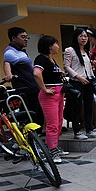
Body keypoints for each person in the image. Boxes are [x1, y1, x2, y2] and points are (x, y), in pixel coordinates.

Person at [63, 28, 96, 140]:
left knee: (89, 106)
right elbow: (66, 66)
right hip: (76, 82)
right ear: (76, 37)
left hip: (88, 81)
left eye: (85, 36)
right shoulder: (69, 50)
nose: (84, 38)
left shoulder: (87, 51)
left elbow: (89, 67)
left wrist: (92, 80)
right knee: (76, 107)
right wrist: (78, 77)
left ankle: (90, 129)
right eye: (81, 36)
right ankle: (77, 131)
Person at [33, 35, 67, 163]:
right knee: (52, 124)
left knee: (58, 122)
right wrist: (44, 89)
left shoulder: (51, 59)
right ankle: (52, 151)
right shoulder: (41, 59)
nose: (58, 46)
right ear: (49, 46)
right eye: (56, 44)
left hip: (58, 94)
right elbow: (36, 73)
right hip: (49, 95)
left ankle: (54, 146)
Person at [3, 27, 44, 128]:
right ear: (13, 38)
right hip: (25, 90)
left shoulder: (21, 51)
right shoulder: (10, 51)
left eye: (27, 37)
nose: (26, 39)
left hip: (33, 87)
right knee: (31, 116)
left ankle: (36, 139)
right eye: (23, 37)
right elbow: (6, 63)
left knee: (38, 114)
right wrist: (8, 75)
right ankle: (29, 140)